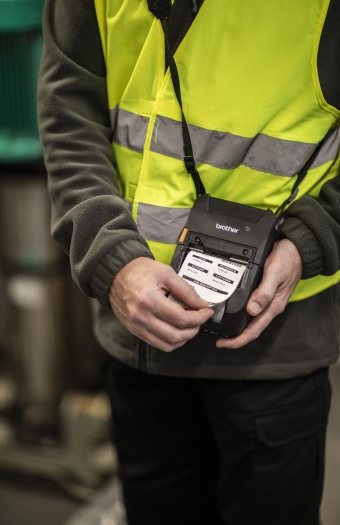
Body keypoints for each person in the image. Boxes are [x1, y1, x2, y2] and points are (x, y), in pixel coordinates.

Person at [37, 1, 340, 523]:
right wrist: (112, 259)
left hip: (273, 347)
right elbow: (69, 111)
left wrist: (310, 237)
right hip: (138, 337)